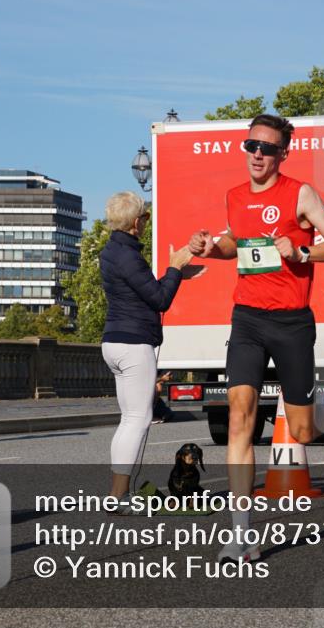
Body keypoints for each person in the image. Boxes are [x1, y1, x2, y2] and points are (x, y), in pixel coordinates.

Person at [188, 114, 324, 563]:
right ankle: (241, 535)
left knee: (299, 431)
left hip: (292, 322)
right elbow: (235, 246)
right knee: (240, 417)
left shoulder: (299, 193)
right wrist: (210, 247)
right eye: (251, 146)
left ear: (283, 153)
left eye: (266, 148)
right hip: (247, 319)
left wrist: (302, 250)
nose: (257, 154)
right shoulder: (235, 196)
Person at [100, 191, 194, 512]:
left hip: (113, 341)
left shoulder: (111, 251)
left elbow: (140, 289)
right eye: (146, 217)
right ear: (137, 222)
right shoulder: (128, 256)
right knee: (138, 420)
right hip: (133, 343)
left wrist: (176, 275)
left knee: (128, 419)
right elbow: (159, 300)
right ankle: (117, 497)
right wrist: (175, 268)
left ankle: (118, 493)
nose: (146, 222)